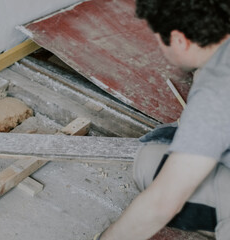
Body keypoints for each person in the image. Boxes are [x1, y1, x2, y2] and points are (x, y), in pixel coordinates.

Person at [94, 0, 230, 239]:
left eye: (159, 40)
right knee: (156, 154)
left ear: (179, 40)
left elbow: (163, 203)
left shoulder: (216, 91)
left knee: (154, 171)